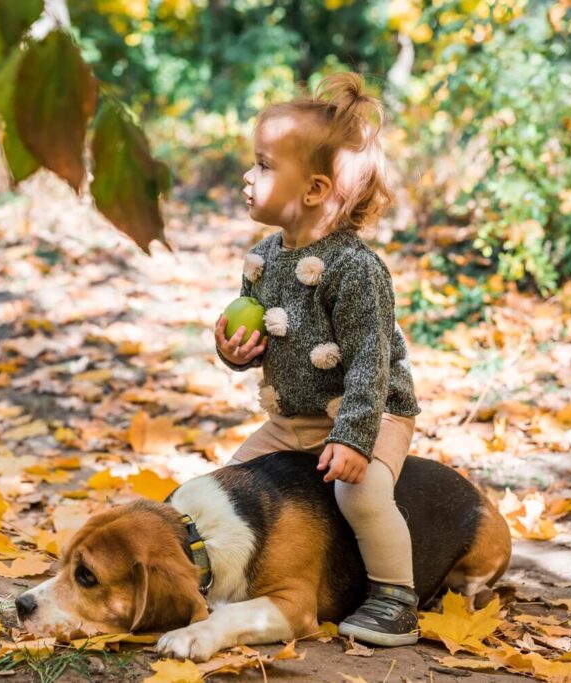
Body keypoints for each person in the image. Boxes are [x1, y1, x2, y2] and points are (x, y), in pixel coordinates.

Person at [214, 71, 422, 646]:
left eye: (262, 165)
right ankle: (241, 575)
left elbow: (370, 365)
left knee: (361, 493)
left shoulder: (357, 271)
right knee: (233, 483)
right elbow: (258, 337)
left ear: (313, 189)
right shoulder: (264, 258)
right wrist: (234, 350)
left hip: (372, 412)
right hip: (294, 418)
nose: (247, 176)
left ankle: (394, 595)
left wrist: (356, 440)